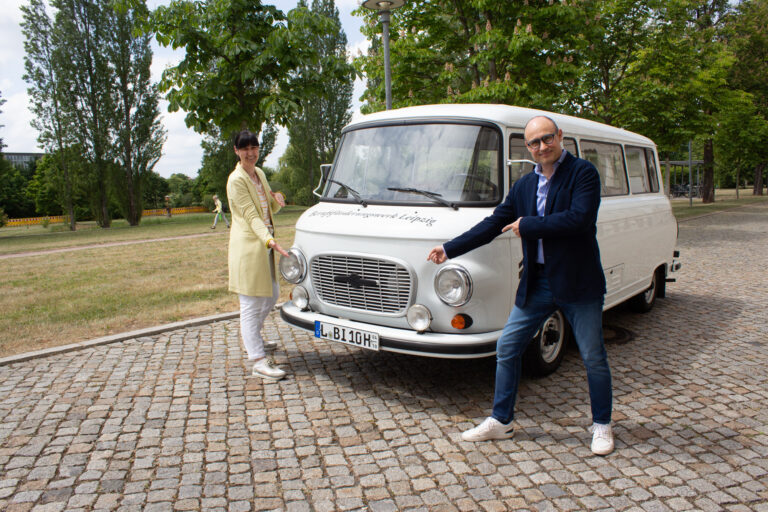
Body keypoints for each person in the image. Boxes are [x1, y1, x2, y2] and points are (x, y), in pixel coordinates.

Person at [427, 115, 614, 455]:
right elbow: (494, 223)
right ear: (527, 148)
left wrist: (528, 225)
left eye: (547, 138)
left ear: (560, 136)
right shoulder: (525, 185)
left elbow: (580, 218)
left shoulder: (583, 173)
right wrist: (450, 248)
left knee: (593, 357)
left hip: (578, 282)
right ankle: (502, 421)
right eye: (534, 142)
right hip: (538, 282)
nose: (542, 147)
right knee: (508, 347)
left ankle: (601, 424)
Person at [227, 129, 291, 381]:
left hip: (264, 246)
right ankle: (258, 360)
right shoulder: (236, 180)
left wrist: (277, 199)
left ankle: (253, 337)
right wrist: (269, 240)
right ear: (237, 151)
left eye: (254, 147)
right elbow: (251, 216)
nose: (250, 153)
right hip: (249, 248)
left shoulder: (259, 173)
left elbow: (268, 206)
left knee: (272, 294)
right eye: (245, 148)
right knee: (251, 304)